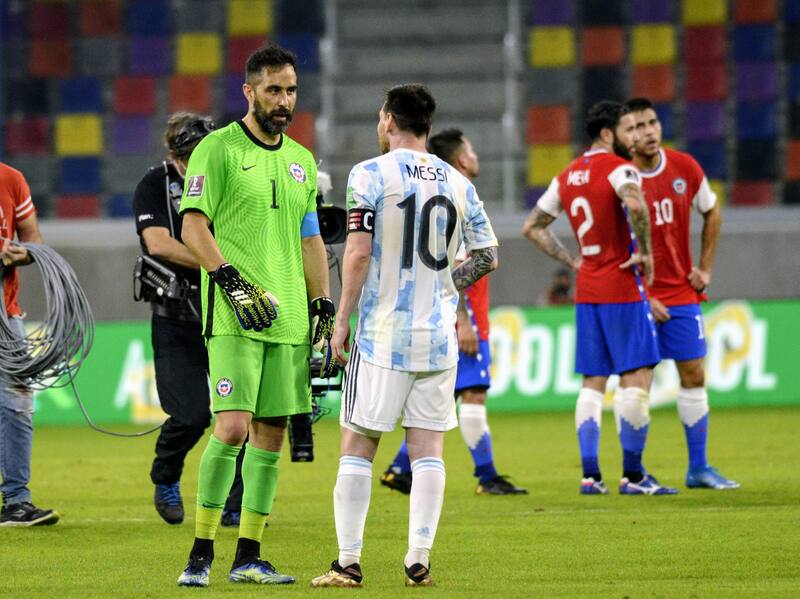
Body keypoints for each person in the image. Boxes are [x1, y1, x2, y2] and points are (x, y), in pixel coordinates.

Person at [311, 84, 498, 589]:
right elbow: (487, 256)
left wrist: (342, 319)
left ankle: (348, 563)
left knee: (357, 444)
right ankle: (419, 560)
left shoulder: (369, 174)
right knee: (428, 449)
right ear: (428, 126)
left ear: (388, 120)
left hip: (382, 334)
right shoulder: (458, 182)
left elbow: (357, 252)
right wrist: (444, 286)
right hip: (437, 337)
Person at [175, 43, 334, 587]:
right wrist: (229, 280)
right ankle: (200, 553)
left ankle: (248, 555)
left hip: (287, 320)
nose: (284, 100)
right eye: (273, 90)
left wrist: (322, 303)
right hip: (235, 314)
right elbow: (192, 226)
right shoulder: (217, 149)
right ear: (249, 91)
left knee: (270, 436)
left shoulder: (302, 161)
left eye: (291, 90)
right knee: (232, 426)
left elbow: (311, 240)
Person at [522, 100, 677, 496]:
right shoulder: (620, 169)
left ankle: (591, 476)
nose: (634, 138)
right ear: (608, 134)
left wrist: (572, 261)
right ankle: (634, 476)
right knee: (636, 375)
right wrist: (645, 253)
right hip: (622, 285)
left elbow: (532, 226)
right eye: (628, 130)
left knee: (593, 381)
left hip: (588, 288)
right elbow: (635, 203)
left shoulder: (566, 175)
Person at [380, 128, 526, 496]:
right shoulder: (457, 197)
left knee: (447, 397)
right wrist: (463, 320)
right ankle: (487, 477)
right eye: (471, 150)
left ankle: (399, 468)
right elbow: (452, 264)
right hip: (462, 317)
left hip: (451, 315)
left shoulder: (444, 192)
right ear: (461, 159)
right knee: (473, 393)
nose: (476, 156)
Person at [132, 112, 246, 526]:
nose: (197, 160)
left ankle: (235, 503)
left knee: (241, 412)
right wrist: (217, 264)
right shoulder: (154, 185)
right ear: (173, 155)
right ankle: (165, 476)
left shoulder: (229, 178)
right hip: (177, 317)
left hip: (228, 311)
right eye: (190, 155)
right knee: (191, 415)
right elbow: (158, 244)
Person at [625, 97, 738, 490]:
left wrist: (704, 267)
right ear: (626, 135)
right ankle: (634, 474)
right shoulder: (621, 178)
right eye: (638, 126)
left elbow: (712, 209)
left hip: (681, 293)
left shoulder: (685, 167)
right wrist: (641, 295)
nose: (648, 132)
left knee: (694, 373)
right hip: (636, 297)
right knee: (638, 380)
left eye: (652, 123)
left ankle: (699, 468)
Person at [0, 162, 56, 527]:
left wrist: (22, 253)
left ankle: (17, 501)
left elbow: (33, 240)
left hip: (7, 315)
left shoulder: (11, 178)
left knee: (19, 401)